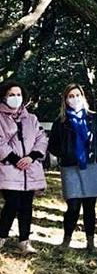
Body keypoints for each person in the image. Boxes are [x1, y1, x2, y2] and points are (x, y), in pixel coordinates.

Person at [49, 83, 97, 252]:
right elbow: (53, 145)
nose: (75, 99)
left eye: (78, 95)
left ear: (83, 97)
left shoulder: (95, 119)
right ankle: (66, 240)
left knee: (89, 205)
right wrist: (66, 152)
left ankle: (90, 242)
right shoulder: (61, 122)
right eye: (71, 96)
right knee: (73, 205)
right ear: (65, 100)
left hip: (92, 166)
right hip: (70, 167)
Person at [0, 81, 47, 254]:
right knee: (12, 203)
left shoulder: (31, 118)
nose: (16, 98)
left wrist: (32, 156)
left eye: (18, 94)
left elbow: (41, 139)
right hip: (8, 168)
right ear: (4, 96)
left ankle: (24, 240)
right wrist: (14, 159)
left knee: (27, 205)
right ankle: (2, 236)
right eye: (11, 94)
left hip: (30, 169)